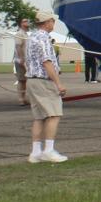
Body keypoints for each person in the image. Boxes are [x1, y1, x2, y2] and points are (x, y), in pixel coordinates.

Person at [24, 10, 68, 163]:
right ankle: (48, 150)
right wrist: (58, 83)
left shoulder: (31, 37)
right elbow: (47, 62)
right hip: (43, 81)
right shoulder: (43, 38)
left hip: (31, 80)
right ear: (47, 22)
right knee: (54, 114)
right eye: (52, 21)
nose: (53, 24)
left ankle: (35, 152)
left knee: (39, 117)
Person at [13, 17, 31, 106]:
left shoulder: (25, 34)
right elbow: (18, 46)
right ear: (21, 24)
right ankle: (21, 99)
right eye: (25, 21)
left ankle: (23, 98)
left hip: (26, 60)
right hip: (21, 60)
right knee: (21, 80)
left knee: (25, 80)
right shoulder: (19, 33)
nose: (27, 22)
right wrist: (21, 59)